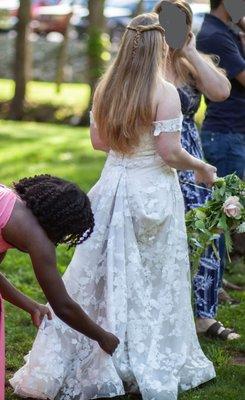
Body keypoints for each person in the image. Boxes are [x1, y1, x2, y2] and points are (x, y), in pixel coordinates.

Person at [11, 13, 216, 400]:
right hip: (152, 190)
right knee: (150, 277)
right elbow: (170, 153)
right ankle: (136, 353)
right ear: (159, 47)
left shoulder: (106, 87)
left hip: (112, 185)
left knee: (103, 272)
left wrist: (127, 147)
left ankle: (97, 348)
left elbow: (98, 143)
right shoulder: (164, 91)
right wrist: (201, 165)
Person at [154, 0, 240, 341]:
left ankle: (205, 315)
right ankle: (162, 309)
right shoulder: (146, 62)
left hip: (190, 151)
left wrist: (190, 51)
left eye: (181, 24)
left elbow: (221, 91)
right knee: (160, 229)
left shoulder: (191, 62)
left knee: (205, 228)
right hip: (156, 151)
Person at [0, 175, 120, 398]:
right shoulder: (37, 238)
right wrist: (102, 337)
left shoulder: (8, 203)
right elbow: (62, 305)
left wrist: (31, 306)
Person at [196, 0, 245, 299]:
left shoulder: (225, 31)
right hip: (225, 135)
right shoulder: (215, 36)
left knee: (228, 210)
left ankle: (217, 277)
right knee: (222, 212)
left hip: (231, 134)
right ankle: (211, 281)